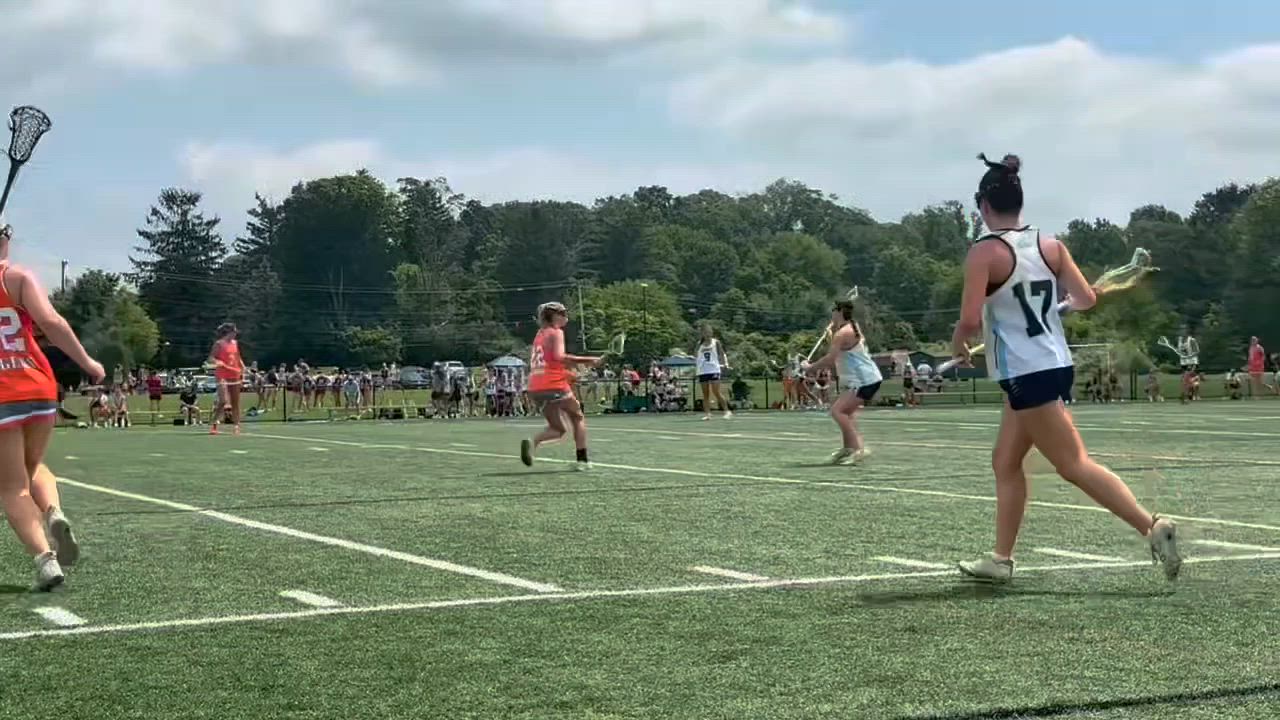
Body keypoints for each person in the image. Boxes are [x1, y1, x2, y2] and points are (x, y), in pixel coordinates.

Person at [949, 153, 1180, 583]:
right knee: (1005, 461)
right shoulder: (1050, 245)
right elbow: (1087, 298)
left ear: (983, 206)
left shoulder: (984, 252)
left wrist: (959, 344)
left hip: (1026, 371)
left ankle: (1151, 526)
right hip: (1052, 363)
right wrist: (1067, 302)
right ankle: (1000, 559)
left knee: (1073, 464)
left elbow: (967, 318)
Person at [0, 223, 105, 590]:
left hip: (2, 395)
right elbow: (51, 321)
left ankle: (46, 560)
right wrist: (87, 362)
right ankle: (52, 510)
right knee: (33, 467)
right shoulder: (18, 278)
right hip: (38, 385)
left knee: (12, 487)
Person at [519, 302, 600, 471]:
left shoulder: (540, 334)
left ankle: (533, 442)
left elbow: (549, 362)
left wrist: (570, 375)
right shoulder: (556, 332)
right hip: (554, 385)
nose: (566, 316)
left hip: (536, 387)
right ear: (554, 316)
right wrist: (588, 359)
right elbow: (559, 356)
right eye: (562, 313)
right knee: (577, 417)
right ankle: (582, 460)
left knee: (558, 429)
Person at [805, 299, 881, 465]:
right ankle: (849, 449)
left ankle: (858, 450)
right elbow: (838, 351)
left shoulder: (843, 333)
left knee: (837, 412)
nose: (831, 314)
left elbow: (830, 358)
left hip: (864, 380)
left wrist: (810, 367)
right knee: (846, 413)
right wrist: (832, 331)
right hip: (862, 379)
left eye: (833, 311)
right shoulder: (850, 328)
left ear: (839, 312)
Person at [208, 322, 245, 435]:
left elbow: (238, 357)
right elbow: (211, 358)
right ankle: (214, 423)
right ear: (228, 332)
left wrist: (243, 368)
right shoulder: (219, 344)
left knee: (235, 402)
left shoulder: (235, 343)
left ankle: (236, 426)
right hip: (222, 375)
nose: (235, 334)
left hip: (234, 374)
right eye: (234, 332)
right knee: (223, 400)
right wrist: (218, 362)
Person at [693, 324, 732, 421]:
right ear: (702, 334)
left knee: (716, 391)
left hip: (714, 369)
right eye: (705, 332)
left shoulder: (716, 342)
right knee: (705, 394)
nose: (707, 334)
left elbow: (722, 354)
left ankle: (726, 411)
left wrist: (725, 364)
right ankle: (708, 414)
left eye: (709, 332)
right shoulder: (699, 344)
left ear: (711, 333)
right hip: (703, 370)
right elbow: (696, 355)